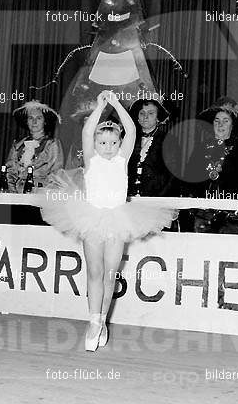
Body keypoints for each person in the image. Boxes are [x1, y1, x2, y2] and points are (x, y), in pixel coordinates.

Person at [39, 91, 177, 352]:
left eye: (113, 142)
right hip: (91, 218)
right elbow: (87, 132)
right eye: (103, 143)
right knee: (94, 272)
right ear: (96, 144)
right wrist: (100, 108)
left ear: (119, 143)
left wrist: (116, 104)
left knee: (110, 275)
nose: (108, 147)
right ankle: (92, 322)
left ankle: (102, 320)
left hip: (117, 220)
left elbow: (132, 130)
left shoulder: (122, 160)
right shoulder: (91, 160)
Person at [184, 103, 238, 198]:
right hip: (203, 205)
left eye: (225, 121)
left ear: (233, 125)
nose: (220, 125)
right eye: (217, 121)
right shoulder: (202, 147)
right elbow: (189, 181)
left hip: (233, 205)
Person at [5, 100, 64, 192]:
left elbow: (56, 173)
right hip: (17, 194)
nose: (34, 121)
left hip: (40, 194)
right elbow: (10, 172)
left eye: (39, 118)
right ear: (27, 121)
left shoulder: (52, 144)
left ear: (45, 121)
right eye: (31, 118)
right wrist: (13, 192)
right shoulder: (18, 145)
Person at [127, 97, 178, 197]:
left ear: (158, 117)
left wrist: (160, 199)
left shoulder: (169, 140)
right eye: (142, 113)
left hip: (157, 198)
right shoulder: (128, 138)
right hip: (129, 196)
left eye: (151, 113)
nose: (145, 117)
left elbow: (173, 175)